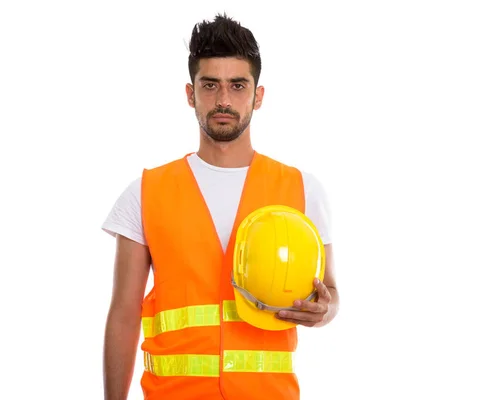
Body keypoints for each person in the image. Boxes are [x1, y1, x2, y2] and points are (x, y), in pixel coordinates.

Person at [101, 13, 339, 400]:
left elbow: (330, 292)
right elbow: (124, 313)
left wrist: (324, 311)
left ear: (258, 96)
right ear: (190, 93)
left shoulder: (301, 189)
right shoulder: (145, 192)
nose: (224, 100)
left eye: (238, 85)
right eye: (210, 85)